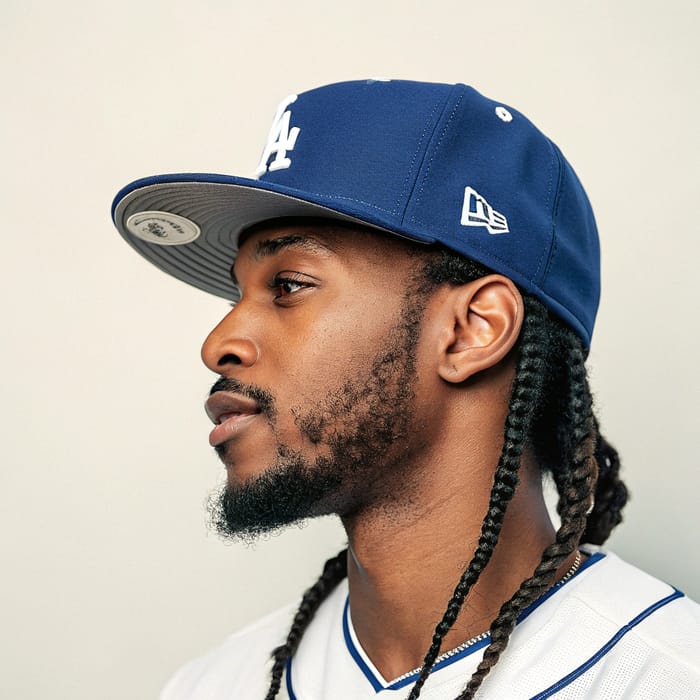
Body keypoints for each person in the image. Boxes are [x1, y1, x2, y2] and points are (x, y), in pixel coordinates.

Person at [111, 79, 699, 699]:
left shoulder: (665, 677)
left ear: (472, 329)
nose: (218, 343)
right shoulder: (210, 687)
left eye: (288, 285)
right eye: (239, 293)